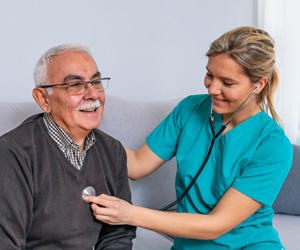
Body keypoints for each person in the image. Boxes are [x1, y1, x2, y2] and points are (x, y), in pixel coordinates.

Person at [84, 26, 293, 249]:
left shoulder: (273, 145)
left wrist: (130, 214)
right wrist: (83, 129)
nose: (213, 89)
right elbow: (136, 165)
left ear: (258, 85)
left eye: (227, 83)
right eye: (209, 75)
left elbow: (216, 225)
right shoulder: (189, 109)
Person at [0, 44, 136, 249]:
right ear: (43, 99)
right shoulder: (14, 153)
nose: (92, 94)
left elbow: (117, 235)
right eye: (75, 85)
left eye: (96, 82)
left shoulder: (113, 151)